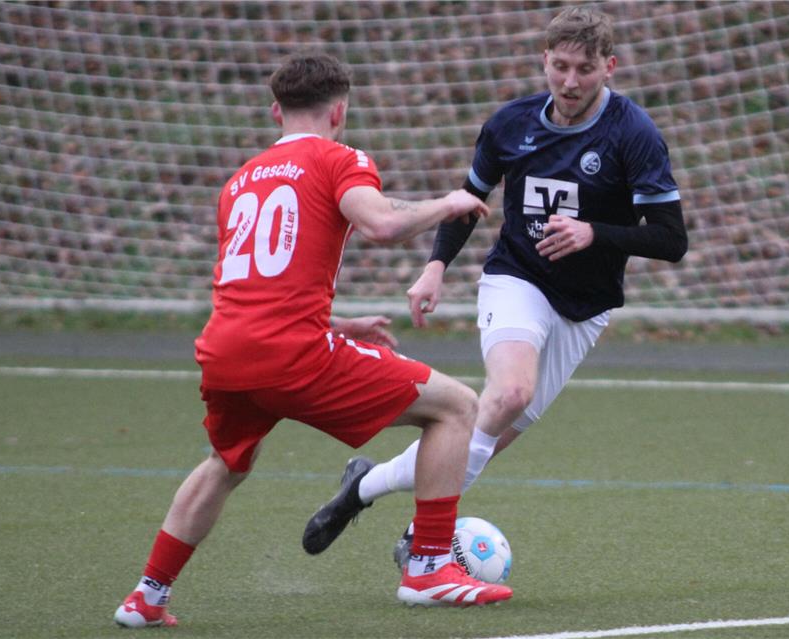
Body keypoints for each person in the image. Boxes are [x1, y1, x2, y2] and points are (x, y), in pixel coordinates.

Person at [113, 53, 513, 628]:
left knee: (226, 463)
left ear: (277, 110)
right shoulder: (338, 158)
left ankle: (147, 595)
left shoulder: (240, 180)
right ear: (340, 111)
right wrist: (446, 204)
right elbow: (380, 223)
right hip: (291, 355)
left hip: (226, 350)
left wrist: (337, 325)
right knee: (457, 407)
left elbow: (258, 284)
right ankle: (428, 568)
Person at [302, 6, 688, 563]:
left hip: (586, 307)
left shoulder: (634, 134)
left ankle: (361, 488)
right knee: (507, 394)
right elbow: (468, 202)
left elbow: (671, 240)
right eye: (560, 66)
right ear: (544, 61)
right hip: (518, 278)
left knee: (489, 427)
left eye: (584, 68)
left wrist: (594, 234)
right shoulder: (511, 123)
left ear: (610, 67)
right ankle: (427, 542)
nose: (570, 81)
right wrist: (436, 266)